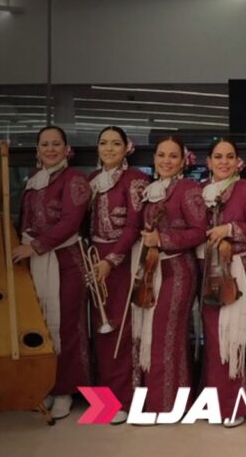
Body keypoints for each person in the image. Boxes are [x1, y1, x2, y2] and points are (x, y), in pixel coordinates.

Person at [11, 125, 92, 420]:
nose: (50, 149)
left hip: (66, 261)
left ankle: (65, 390)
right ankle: (44, 382)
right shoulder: (33, 181)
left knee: (67, 326)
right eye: (44, 144)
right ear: (37, 150)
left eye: (56, 144)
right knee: (40, 323)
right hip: (34, 262)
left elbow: (71, 223)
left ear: (66, 148)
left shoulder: (75, 180)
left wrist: (36, 246)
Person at [130, 135, 206, 419]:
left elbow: (199, 231)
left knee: (167, 337)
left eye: (173, 156)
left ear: (183, 161)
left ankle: (171, 405)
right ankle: (155, 402)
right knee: (149, 336)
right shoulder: (150, 190)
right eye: (161, 155)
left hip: (177, 270)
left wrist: (161, 238)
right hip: (151, 270)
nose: (166, 161)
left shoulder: (188, 189)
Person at [197, 138, 246, 428]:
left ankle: (232, 406)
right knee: (212, 338)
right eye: (218, 157)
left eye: (230, 157)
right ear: (208, 161)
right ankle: (213, 401)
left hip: (236, 267)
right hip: (205, 269)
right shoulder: (199, 192)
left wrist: (230, 229)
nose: (223, 162)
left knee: (232, 336)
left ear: (238, 162)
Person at [88, 126, 149, 425]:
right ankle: (102, 400)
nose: (109, 148)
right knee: (100, 329)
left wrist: (111, 261)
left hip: (123, 260)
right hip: (94, 259)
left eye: (116, 143)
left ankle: (125, 400)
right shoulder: (90, 180)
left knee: (123, 330)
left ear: (128, 148)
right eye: (103, 143)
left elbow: (134, 225)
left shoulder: (135, 179)